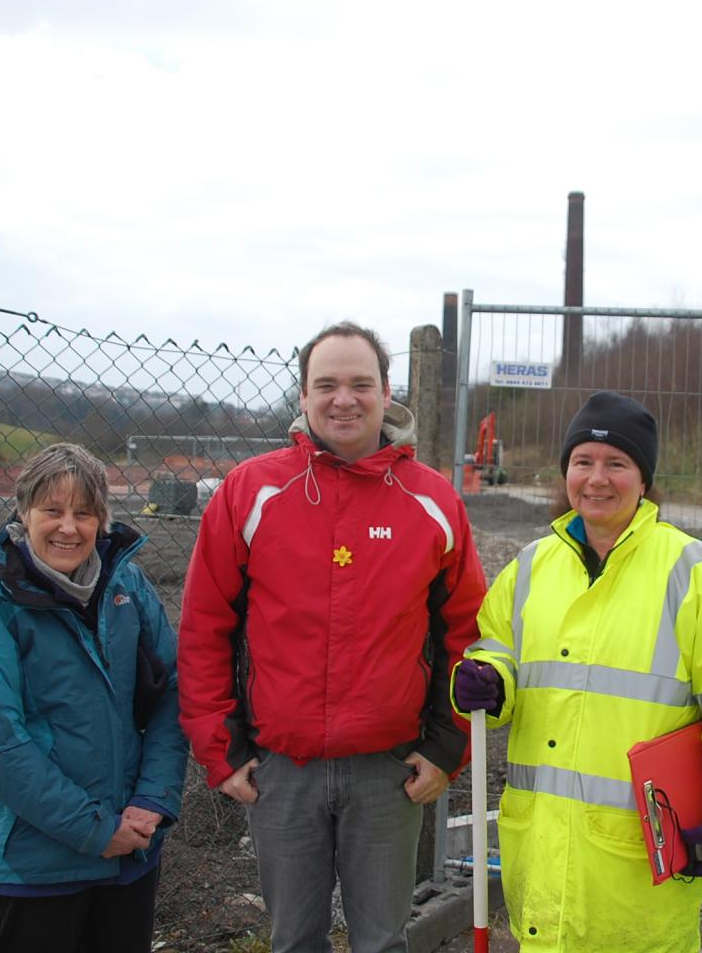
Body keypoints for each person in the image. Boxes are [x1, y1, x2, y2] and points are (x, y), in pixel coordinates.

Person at [178, 321, 486, 952]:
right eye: (327, 385)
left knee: (382, 941)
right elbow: (205, 626)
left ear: (386, 391)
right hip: (282, 772)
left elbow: (469, 635)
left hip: (390, 771)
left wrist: (448, 743)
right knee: (294, 941)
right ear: (303, 396)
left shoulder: (431, 501)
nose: (343, 399)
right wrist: (221, 750)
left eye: (359, 384)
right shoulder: (251, 491)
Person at [452, 391, 702, 953]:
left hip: (641, 861)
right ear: (565, 472)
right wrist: (486, 678)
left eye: (617, 464)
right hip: (541, 854)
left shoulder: (699, 574)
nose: (597, 479)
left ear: (644, 477)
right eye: (583, 462)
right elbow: (497, 651)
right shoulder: (532, 567)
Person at [0, 442, 188, 953]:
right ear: (24, 513)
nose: (68, 528)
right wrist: (97, 831)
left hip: (129, 856)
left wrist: (152, 802)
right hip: (32, 869)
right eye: (52, 510)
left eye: (85, 512)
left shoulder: (129, 587)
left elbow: (172, 693)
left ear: (102, 518)